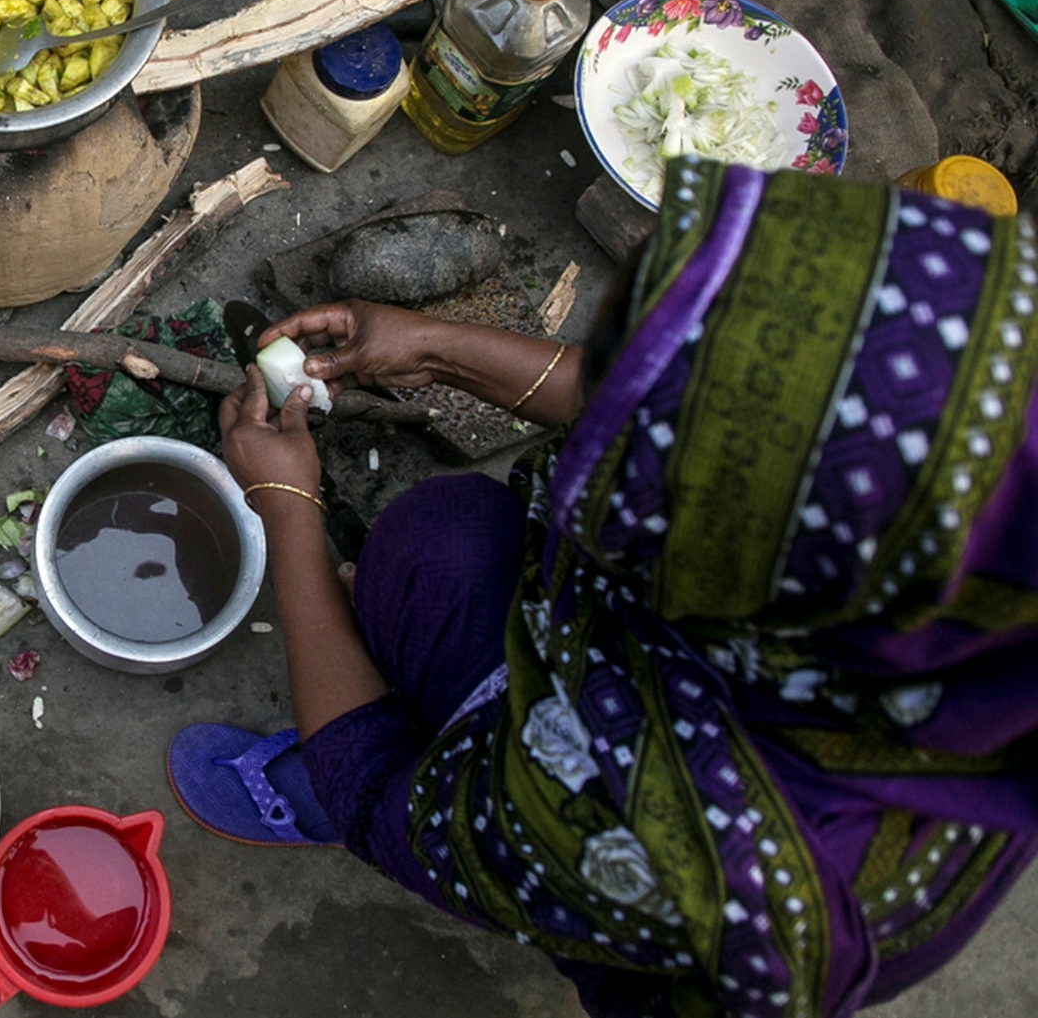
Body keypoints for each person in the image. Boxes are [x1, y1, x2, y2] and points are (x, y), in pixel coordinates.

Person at [170, 156, 1038, 1016]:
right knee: (438, 541)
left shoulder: (675, 830)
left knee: (374, 779)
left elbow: (381, 803)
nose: (643, 384)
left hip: (614, 846)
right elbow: (660, 398)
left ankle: (399, 780)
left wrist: (288, 508)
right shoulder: (965, 496)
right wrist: (434, 348)